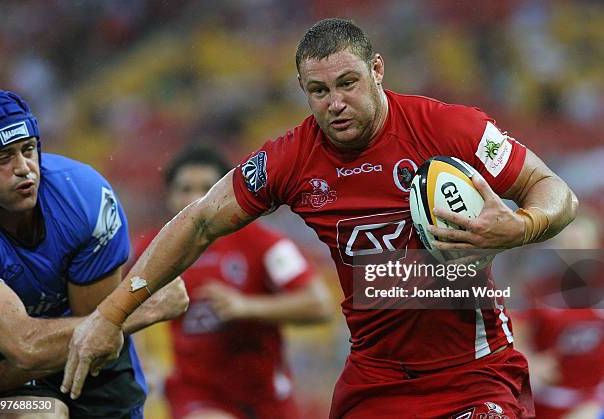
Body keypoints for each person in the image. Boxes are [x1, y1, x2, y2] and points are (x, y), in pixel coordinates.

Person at [62, 18, 579, 418]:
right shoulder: (291, 159)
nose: (336, 103)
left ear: (377, 70)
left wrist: (522, 225)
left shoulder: (447, 128)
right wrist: (109, 316)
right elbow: (198, 222)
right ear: (303, 90)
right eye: (319, 91)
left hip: (474, 371)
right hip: (375, 381)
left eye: (349, 83)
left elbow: (556, 192)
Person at [0, 88, 190, 419]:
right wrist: (143, 309)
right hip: (5, 375)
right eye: (3, 158)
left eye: (28, 150)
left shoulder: (84, 198)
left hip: (69, 352)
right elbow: (25, 347)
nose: (24, 168)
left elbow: (96, 343)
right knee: (40, 414)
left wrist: (106, 324)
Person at [132, 146, 332, 419]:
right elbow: (119, 305)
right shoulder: (152, 250)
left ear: (225, 194)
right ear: (170, 197)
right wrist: (138, 361)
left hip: (266, 397)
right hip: (196, 394)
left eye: (207, 188)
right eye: (185, 189)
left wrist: (246, 307)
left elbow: (320, 304)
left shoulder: (264, 243)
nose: (196, 199)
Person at [513, 210, 604, 419]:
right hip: (545, 398)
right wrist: (532, 361)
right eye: (567, 244)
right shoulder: (539, 289)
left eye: (581, 244)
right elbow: (516, 333)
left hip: (594, 399)